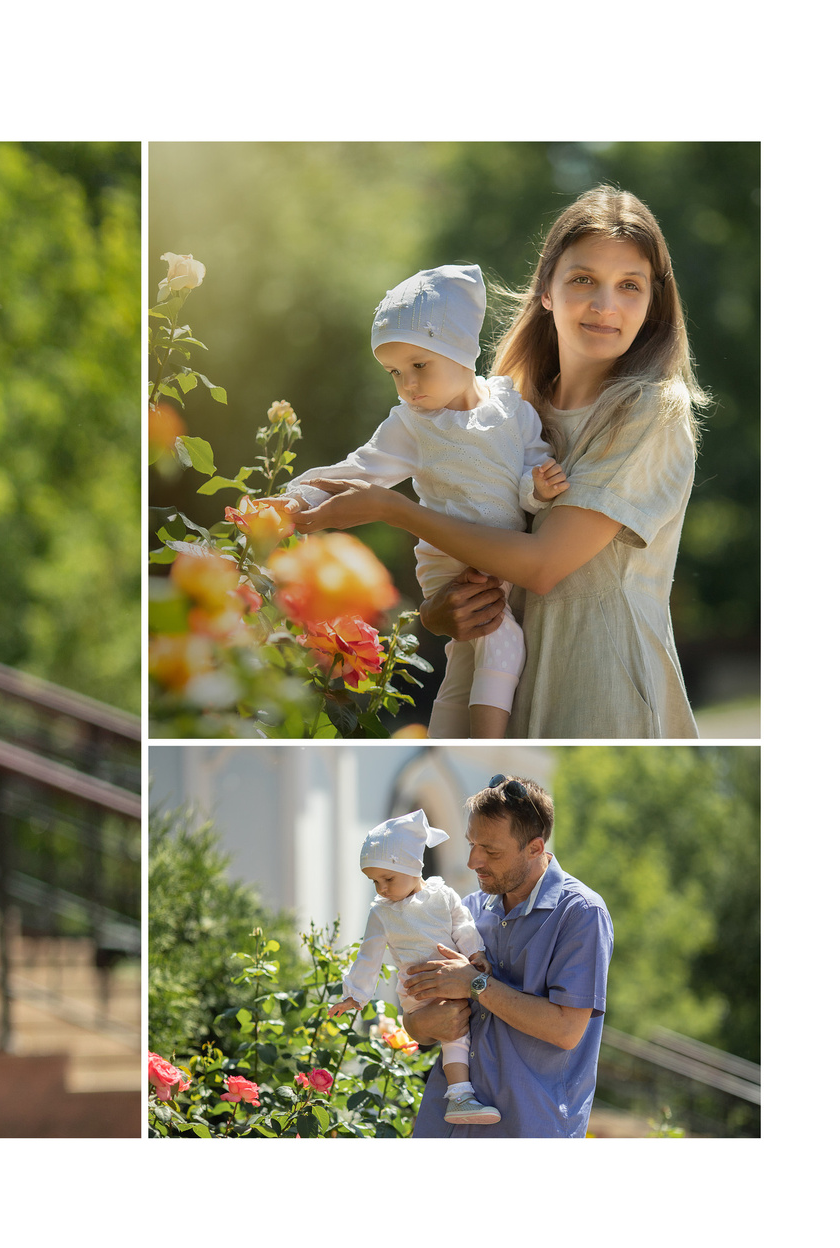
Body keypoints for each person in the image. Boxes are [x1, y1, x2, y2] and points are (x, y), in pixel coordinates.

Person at [295, 186, 706, 737]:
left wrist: (393, 510)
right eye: (584, 279)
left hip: (602, 693)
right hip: (504, 689)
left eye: (629, 285)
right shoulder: (509, 408)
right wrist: (439, 613)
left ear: (653, 301)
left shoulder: (649, 410)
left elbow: (541, 566)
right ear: (546, 291)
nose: (605, 305)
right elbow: (478, 549)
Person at [280, 265, 567, 738]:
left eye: (419, 365)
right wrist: (292, 499)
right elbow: (360, 470)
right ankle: (486, 746)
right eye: (395, 372)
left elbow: (530, 473)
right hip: (452, 564)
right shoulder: (413, 425)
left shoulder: (511, 408)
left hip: (503, 559)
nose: (408, 385)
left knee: (466, 664)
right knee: (501, 640)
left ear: (461, 350)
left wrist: (538, 488)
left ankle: (448, 737)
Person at [395, 775, 613, 1138]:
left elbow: (566, 1030)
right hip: (444, 1125)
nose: (472, 861)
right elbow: (416, 1025)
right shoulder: (466, 911)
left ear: (535, 847)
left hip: (529, 1129)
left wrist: (475, 985)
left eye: (491, 851)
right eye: (471, 844)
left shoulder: (582, 913)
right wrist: (423, 1023)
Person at [322, 810, 498, 1125]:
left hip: (455, 979)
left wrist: (476, 953)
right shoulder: (382, 914)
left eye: (388, 879)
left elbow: (464, 926)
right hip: (419, 990)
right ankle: (459, 1095)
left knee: (466, 1025)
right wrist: (355, 994)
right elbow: (368, 955)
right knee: (454, 1032)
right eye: (375, 881)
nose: (381, 889)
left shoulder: (443, 896)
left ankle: (469, 1093)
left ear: (413, 867)